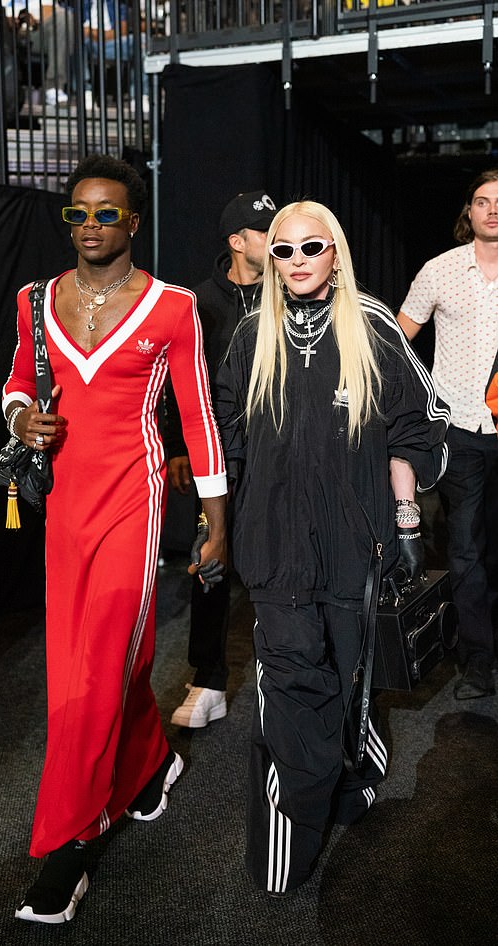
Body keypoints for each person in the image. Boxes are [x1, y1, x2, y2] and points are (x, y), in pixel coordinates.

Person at [2, 153, 227, 924]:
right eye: (77, 212)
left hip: (135, 506)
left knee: (96, 672)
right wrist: (21, 418)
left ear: (134, 222)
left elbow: (197, 417)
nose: (90, 225)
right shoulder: (35, 300)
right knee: (78, 670)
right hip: (63, 512)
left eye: (106, 213)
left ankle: (66, 849)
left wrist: (215, 519)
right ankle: (152, 762)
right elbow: (17, 385)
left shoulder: (172, 306)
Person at [214, 200, 449, 896]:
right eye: (281, 251)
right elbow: (224, 432)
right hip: (275, 555)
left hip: (361, 549)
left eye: (310, 248)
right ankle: (286, 851)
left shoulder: (372, 325)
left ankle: (355, 785)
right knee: (291, 698)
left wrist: (407, 520)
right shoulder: (252, 333)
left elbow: (420, 421)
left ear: (335, 253)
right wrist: (218, 520)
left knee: (351, 685)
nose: (295, 262)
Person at [166, 190, 276, 729]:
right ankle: (208, 679)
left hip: (283, 455)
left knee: (286, 560)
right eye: (264, 230)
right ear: (237, 241)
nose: (276, 238)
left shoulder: (294, 291)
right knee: (209, 559)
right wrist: (180, 446)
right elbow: (175, 381)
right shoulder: (199, 303)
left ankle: (288, 673)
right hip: (220, 454)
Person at [398, 169, 498, 700]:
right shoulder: (439, 270)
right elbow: (399, 339)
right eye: (482, 201)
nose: (492, 210)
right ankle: (478, 661)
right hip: (459, 428)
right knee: (464, 549)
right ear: (469, 211)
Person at [4, 0, 75, 107]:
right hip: (4, 31)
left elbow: (48, 11)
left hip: (34, 32)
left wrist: (33, 20)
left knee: (64, 17)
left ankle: (54, 87)